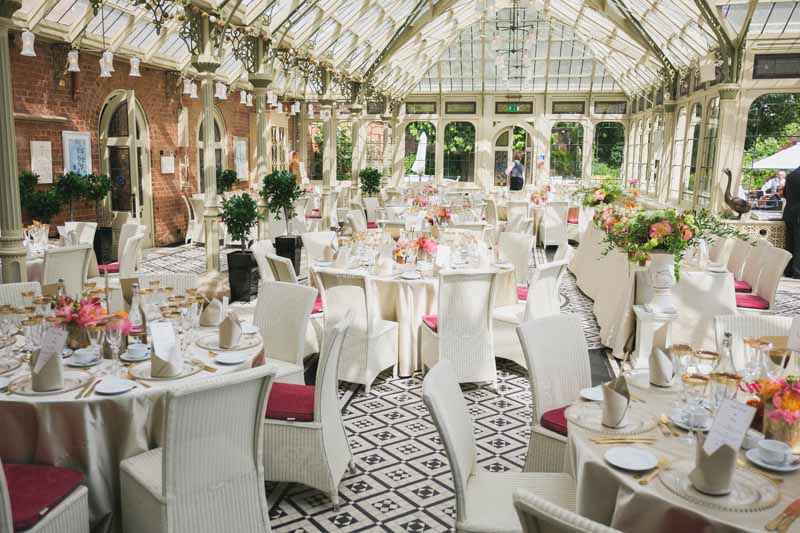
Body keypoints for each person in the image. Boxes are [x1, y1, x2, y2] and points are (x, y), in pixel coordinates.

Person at [783, 166, 800, 278]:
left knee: (789, 242)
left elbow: (784, 193)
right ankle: (797, 271)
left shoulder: (791, 175)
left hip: (789, 213)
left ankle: (788, 269)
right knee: (798, 244)